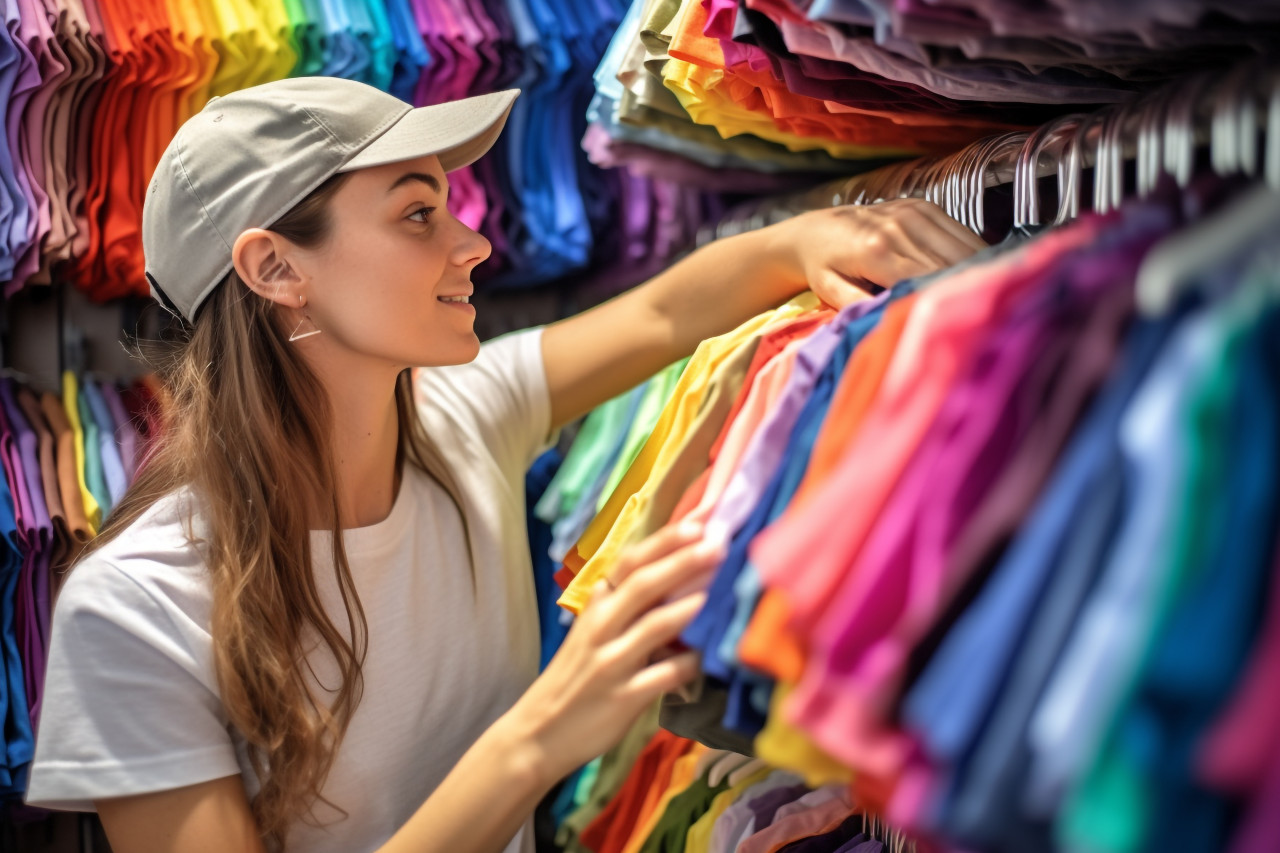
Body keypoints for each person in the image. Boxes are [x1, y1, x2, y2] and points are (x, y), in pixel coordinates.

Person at [24, 78, 985, 853]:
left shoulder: (463, 415)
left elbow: (664, 314)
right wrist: (541, 734)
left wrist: (812, 236)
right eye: (415, 215)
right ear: (277, 269)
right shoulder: (133, 609)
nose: (475, 243)